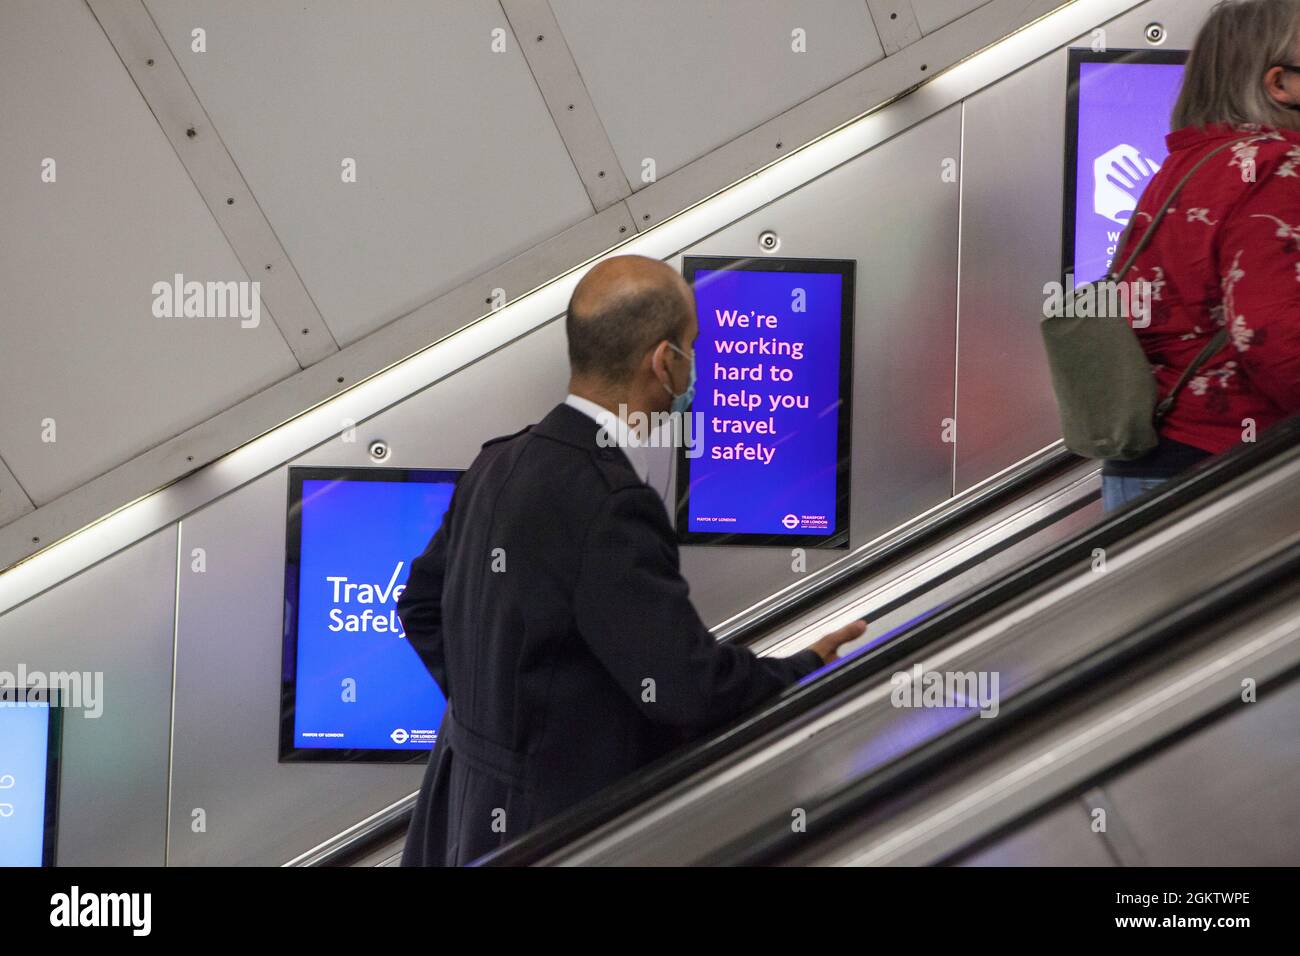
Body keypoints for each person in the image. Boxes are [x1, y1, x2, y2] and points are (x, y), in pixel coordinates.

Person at [396, 254, 866, 866]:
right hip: (557, 833)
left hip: (465, 817)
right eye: (692, 348)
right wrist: (801, 667)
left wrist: (501, 721)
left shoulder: (499, 462)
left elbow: (421, 604)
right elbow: (686, 687)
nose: (696, 367)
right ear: (663, 361)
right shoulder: (610, 501)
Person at [1102, 0, 1300, 511]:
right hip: (1231, 472)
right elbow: (1271, 335)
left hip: (1150, 464)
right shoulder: (1279, 166)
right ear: (1279, 84)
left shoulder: (1181, 168)